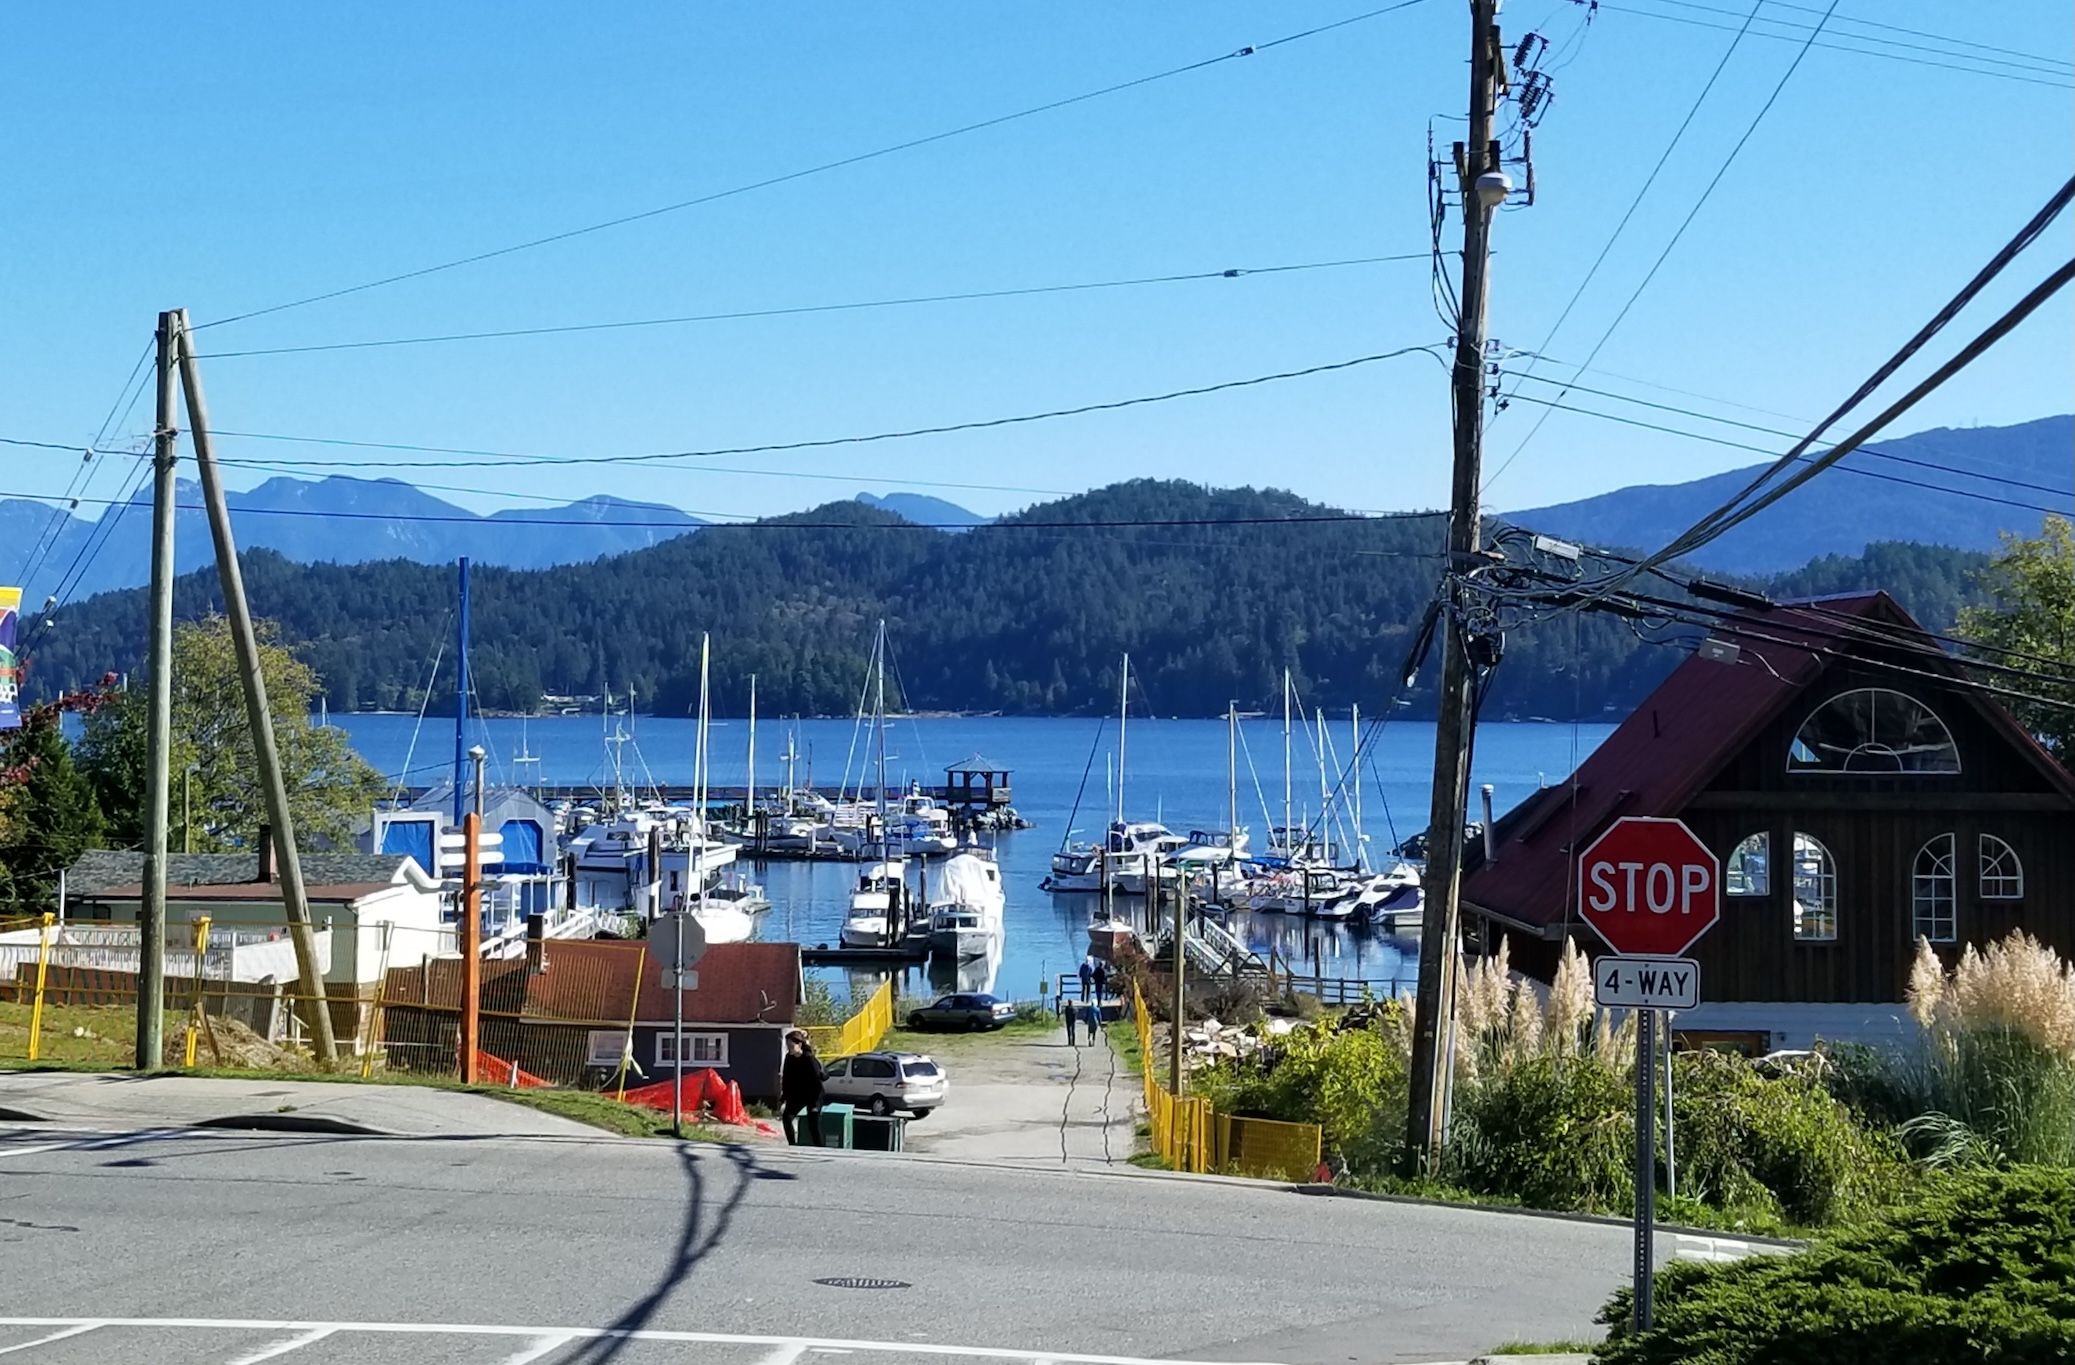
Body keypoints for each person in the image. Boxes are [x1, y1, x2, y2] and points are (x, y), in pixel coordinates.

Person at [779, 1030, 825, 1146]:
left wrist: (814, 1104)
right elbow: (786, 1079)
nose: (789, 1048)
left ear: (799, 1045)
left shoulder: (809, 1058)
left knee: (812, 1120)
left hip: (814, 1094)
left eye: (791, 1045)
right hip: (798, 1095)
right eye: (787, 1046)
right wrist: (783, 1097)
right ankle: (792, 1145)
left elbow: (818, 1081)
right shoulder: (789, 1058)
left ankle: (819, 1147)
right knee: (787, 1117)